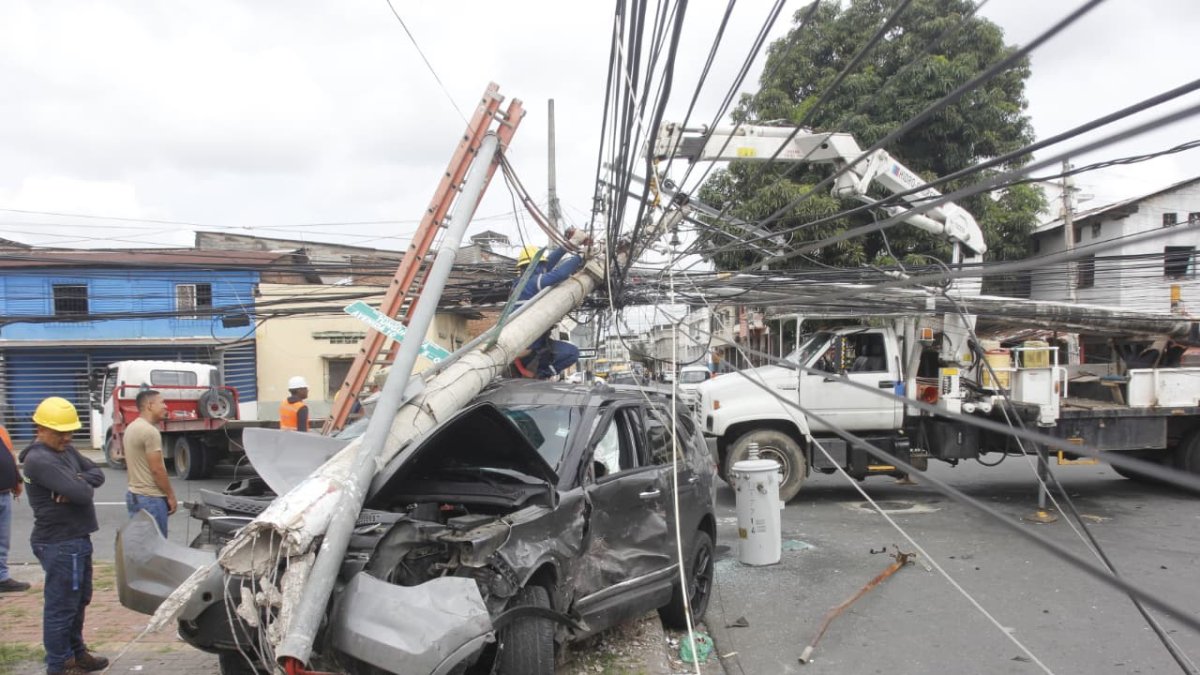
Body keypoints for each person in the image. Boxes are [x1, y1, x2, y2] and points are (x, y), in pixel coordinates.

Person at [19, 397, 109, 675]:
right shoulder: (39, 459)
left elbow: (96, 474)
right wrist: (79, 485)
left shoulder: (65, 452)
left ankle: (77, 654)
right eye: (61, 432)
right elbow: (82, 495)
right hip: (59, 542)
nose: (67, 438)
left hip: (76, 538)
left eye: (70, 432)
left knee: (79, 600)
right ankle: (60, 664)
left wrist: (78, 481)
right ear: (41, 429)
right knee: (62, 606)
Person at [511, 229, 589, 379]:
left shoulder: (521, 284)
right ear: (535, 266)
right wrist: (581, 256)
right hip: (530, 348)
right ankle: (540, 375)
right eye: (542, 265)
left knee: (568, 351)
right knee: (572, 353)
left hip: (531, 345)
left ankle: (539, 372)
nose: (545, 268)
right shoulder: (532, 282)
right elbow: (560, 274)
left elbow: (548, 264)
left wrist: (571, 244)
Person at [123, 390, 176, 536]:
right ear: (149, 405)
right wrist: (170, 496)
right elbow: (157, 470)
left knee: (141, 546)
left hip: (134, 495)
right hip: (151, 498)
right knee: (156, 550)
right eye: (162, 402)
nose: (165, 407)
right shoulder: (150, 432)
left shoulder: (131, 427)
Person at [0, 423, 31, 593]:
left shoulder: (2, 431)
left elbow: (10, 457)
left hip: (4, 493)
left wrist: (17, 479)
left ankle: (2, 577)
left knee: (2, 541)